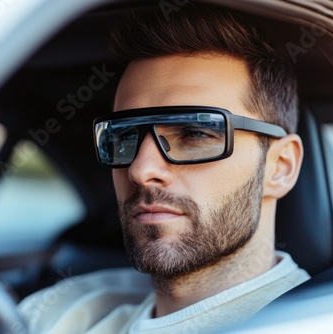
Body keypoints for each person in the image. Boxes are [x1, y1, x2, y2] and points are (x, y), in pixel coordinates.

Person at [19, 4, 310, 333]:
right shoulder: (71, 304)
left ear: (280, 167)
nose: (140, 169)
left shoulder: (325, 320)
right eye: (125, 136)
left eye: (195, 133)